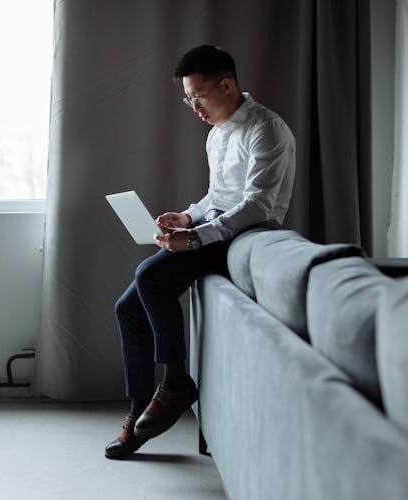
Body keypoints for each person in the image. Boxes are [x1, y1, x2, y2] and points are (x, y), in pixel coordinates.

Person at [105, 45, 296, 459]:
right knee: (127, 308)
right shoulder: (216, 134)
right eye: (188, 99)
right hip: (216, 228)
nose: (194, 107)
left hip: (246, 235)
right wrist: (188, 218)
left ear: (225, 85)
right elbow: (216, 196)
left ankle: (176, 382)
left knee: (151, 277)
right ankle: (139, 412)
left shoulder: (267, 129)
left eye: (198, 96)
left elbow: (257, 205)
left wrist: (196, 239)